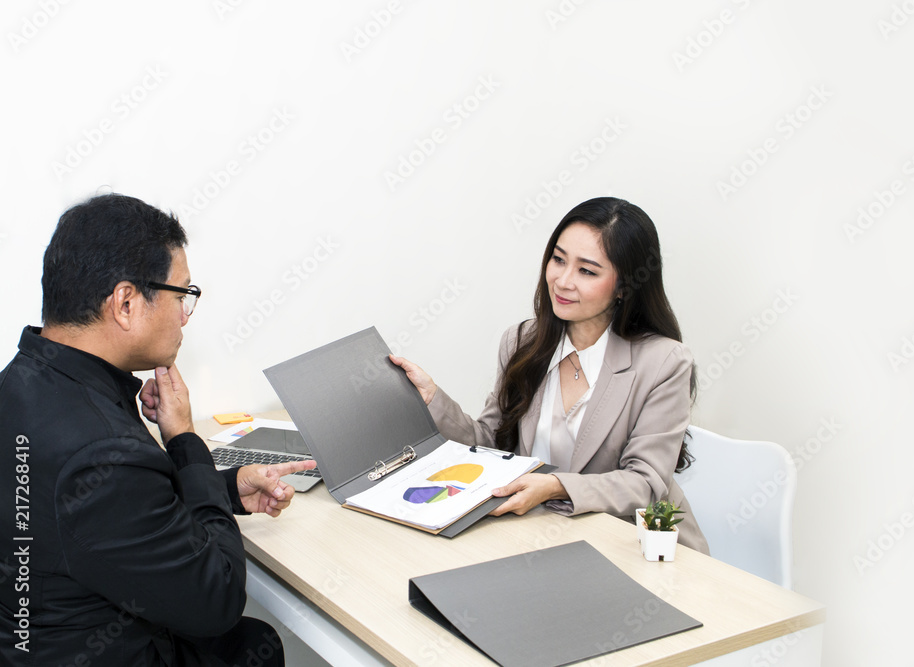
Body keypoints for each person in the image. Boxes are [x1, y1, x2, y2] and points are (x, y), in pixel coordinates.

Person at [0, 194, 316, 666]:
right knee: (252, 642)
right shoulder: (101, 448)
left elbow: (110, 519)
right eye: (182, 295)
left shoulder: (25, 379)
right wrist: (185, 440)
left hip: (36, 638)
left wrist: (224, 489)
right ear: (126, 303)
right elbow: (219, 598)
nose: (186, 316)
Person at [392, 197, 709, 553]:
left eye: (586, 271)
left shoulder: (665, 361)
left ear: (624, 286)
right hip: (543, 540)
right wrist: (433, 400)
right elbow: (492, 445)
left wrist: (556, 486)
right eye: (558, 260)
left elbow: (645, 483)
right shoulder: (521, 341)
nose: (562, 280)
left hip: (636, 548)